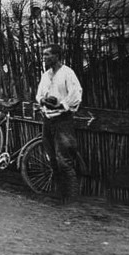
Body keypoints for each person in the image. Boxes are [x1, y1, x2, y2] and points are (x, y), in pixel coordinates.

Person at [35, 43, 83, 204]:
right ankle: (59, 193)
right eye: (43, 55)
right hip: (48, 120)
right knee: (52, 159)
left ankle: (72, 197)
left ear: (56, 56)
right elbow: (39, 94)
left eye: (47, 55)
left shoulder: (67, 73)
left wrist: (61, 105)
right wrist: (43, 101)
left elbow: (76, 94)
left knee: (64, 161)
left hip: (63, 121)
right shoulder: (45, 75)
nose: (44, 58)